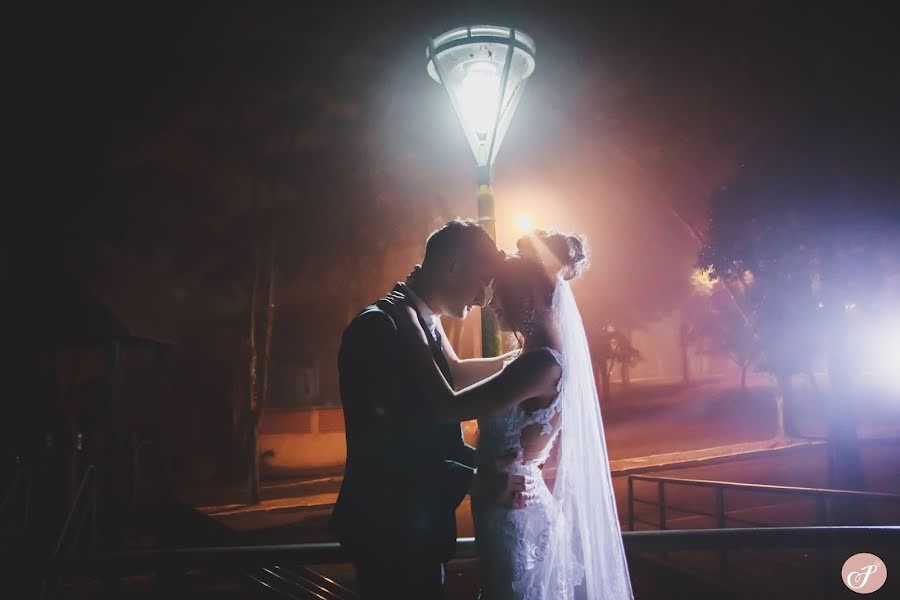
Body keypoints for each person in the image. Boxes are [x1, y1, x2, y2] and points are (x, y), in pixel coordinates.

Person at [396, 230, 634, 599]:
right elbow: (457, 371)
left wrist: (411, 326)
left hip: (514, 516)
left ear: (524, 297)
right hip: (506, 507)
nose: (490, 305)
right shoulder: (525, 361)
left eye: (497, 292)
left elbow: (448, 407)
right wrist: (423, 306)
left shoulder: (538, 366)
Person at [331, 219, 526, 600]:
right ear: (453, 266)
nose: (482, 300)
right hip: (387, 525)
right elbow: (388, 443)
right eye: (481, 283)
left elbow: (453, 374)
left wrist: (530, 359)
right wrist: (474, 479)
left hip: (416, 522)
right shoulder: (380, 327)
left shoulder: (422, 319)